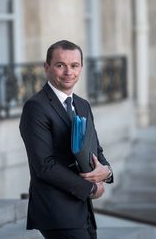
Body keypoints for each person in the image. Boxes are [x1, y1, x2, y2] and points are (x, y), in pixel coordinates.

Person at [19, 40, 114, 239]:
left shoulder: (82, 105)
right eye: (60, 65)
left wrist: (106, 172)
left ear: (81, 68)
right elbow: (44, 166)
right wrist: (90, 188)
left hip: (83, 211)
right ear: (47, 67)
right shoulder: (35, 107)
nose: (68, 72)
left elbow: (95, 149)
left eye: (74, 65)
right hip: (56, 211)